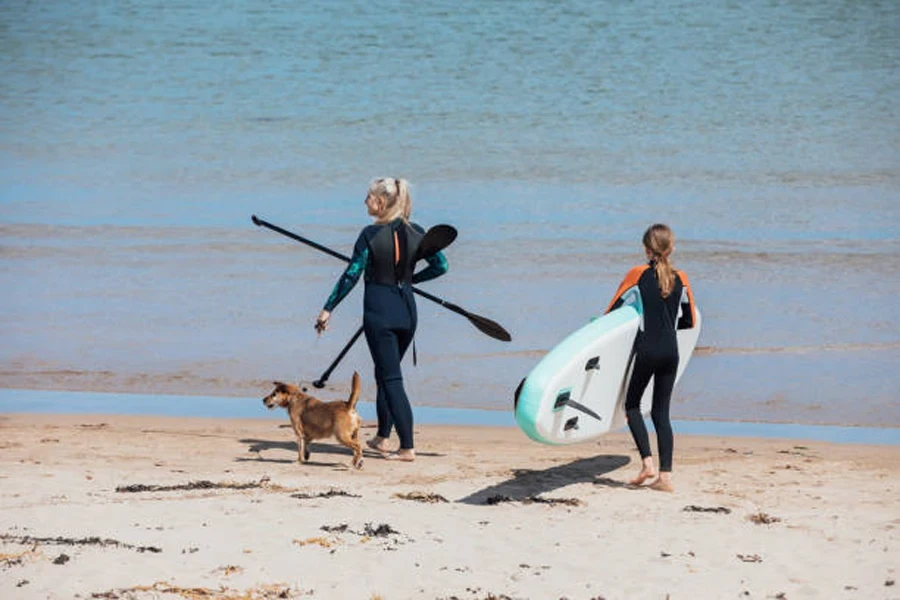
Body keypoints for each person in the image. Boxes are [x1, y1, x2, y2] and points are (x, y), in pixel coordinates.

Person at [315, 177, 448, 462]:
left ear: (381, 202)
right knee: (385, 373)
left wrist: (328, 308)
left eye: (368, 197)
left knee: (391, 377)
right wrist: (412, 280)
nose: (365, 201)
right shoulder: (418, 232)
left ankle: (408, 447)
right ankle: (383, 437)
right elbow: (441, 266)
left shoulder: (369, 235)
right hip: (407, 312)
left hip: (380, 313)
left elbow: (352, 274)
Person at [606, 224, 696, 492]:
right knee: (661, 414)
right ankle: (665, 477)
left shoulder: (637, 274)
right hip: (671, 351)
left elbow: (612, 311)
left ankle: (647, 464)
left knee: (632, 405)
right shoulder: (682, 278)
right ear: (672, 248)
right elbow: (689, 320)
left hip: (648, 349)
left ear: (646, 249)